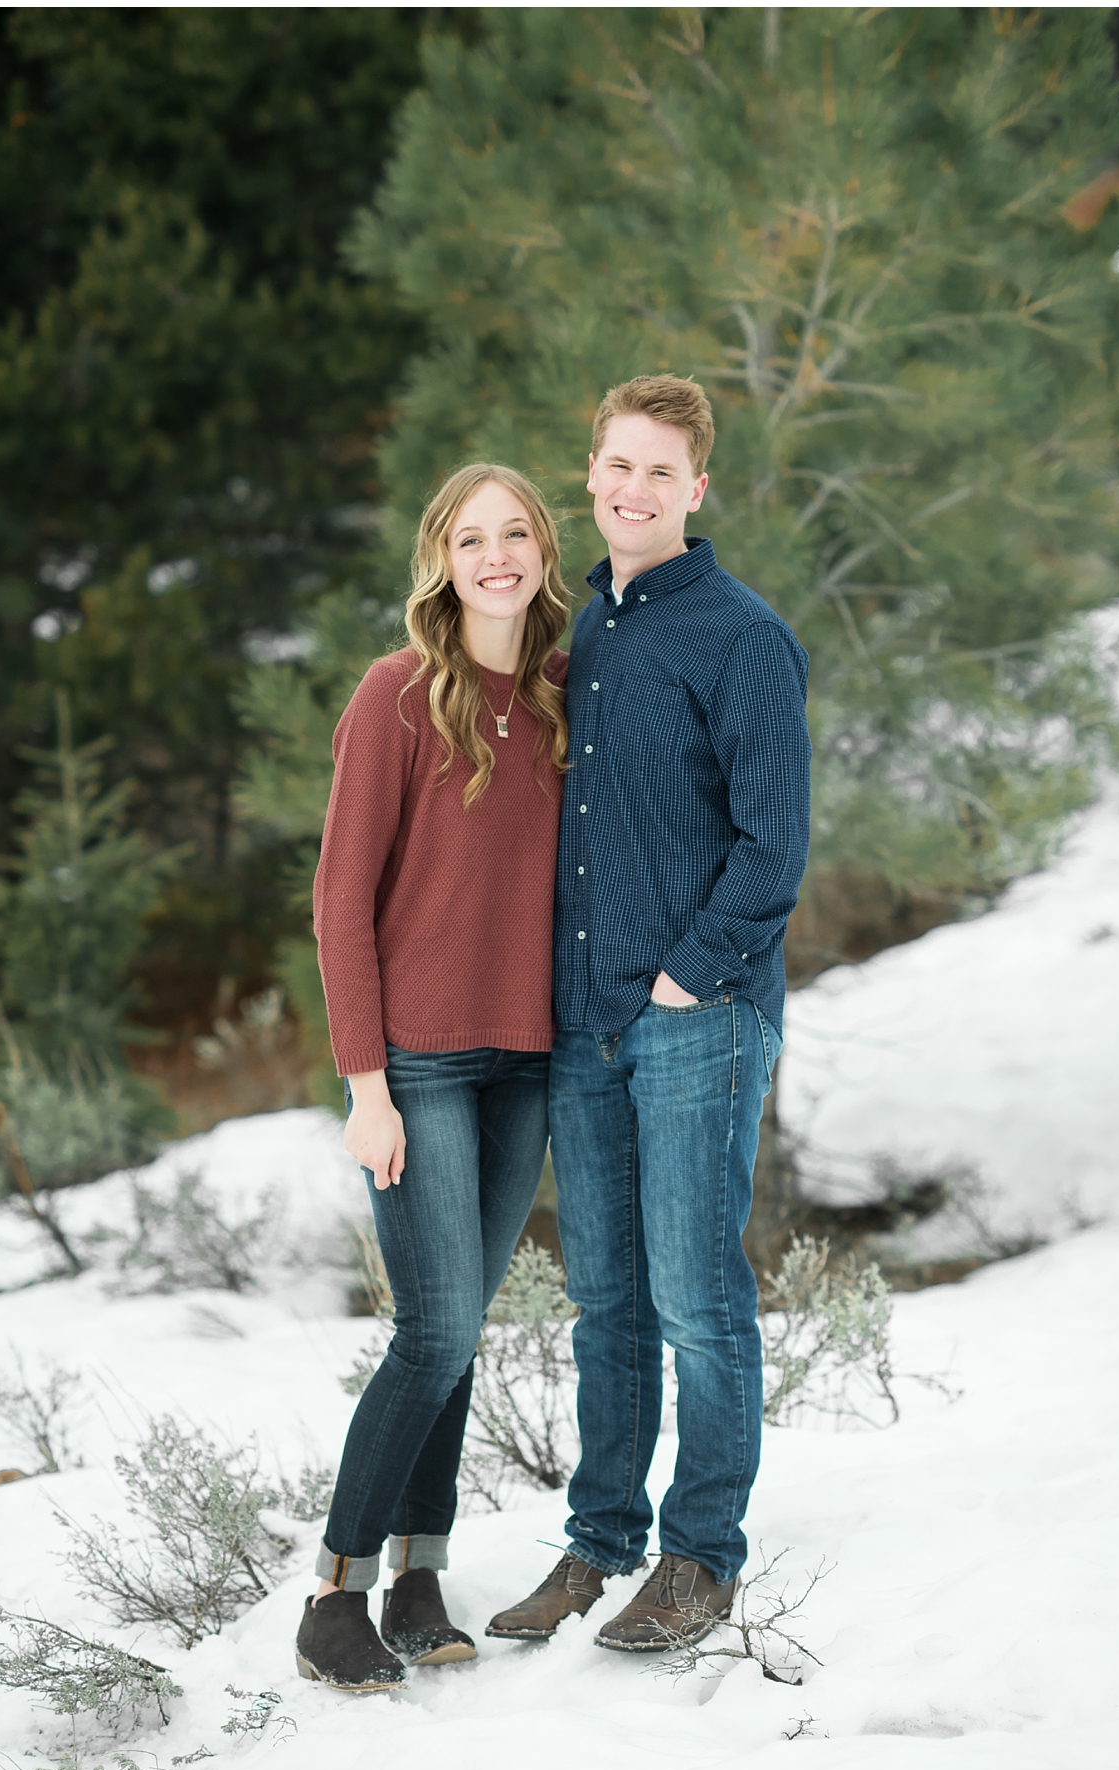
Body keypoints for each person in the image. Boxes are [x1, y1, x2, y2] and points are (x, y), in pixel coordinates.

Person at [484, 374, 811, 1653]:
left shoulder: (739, 634)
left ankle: (698, 1556)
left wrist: (687, 974)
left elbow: (772, 845)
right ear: (595, 471)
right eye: (616, 466)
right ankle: (598, 1542)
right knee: (605, 1300)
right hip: (583, 1023)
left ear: (696, 489)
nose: (631, 489)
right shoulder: (590, 636)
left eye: (658, 473)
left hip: (698, 1014)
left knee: (696, 1296)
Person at [303, 463, 574, 1690]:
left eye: (516, 533)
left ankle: (421, 1573)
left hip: (526, 1061)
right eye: (474, 538)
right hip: (416, 1062)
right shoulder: (398, 693)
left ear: (543, 550)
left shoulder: (571, 691)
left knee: (460, 1334)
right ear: (442, 557)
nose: (498, 555)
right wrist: (366, 1083)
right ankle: (334, 1592)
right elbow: (339, 896)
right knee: (435, 1329)